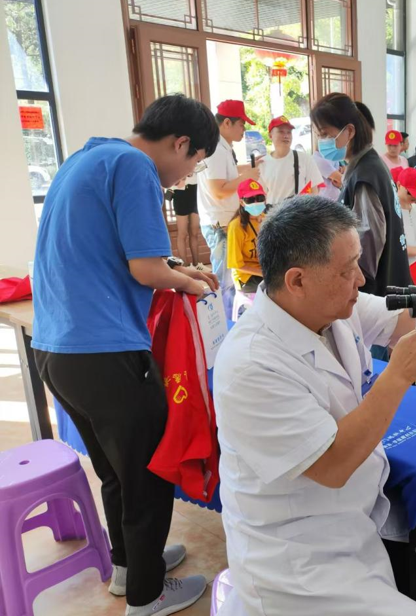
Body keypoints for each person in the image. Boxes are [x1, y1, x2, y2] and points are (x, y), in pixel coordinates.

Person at [213, 195, 416, 616]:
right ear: (297, 280)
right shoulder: (251, 364)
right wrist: (398, 375)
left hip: (351, 527)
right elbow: (333, 465)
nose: (361, 276)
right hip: (295, 562)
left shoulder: (332, 308)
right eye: (347, 268)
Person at [32, 94, 221, 616]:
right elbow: (145, 269)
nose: (184, 177)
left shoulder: (87, 157)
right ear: (180, 143)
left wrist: (175, 268)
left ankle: (129, 567)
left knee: (116, 471)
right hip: (104, 350)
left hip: (56, 349)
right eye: (193, 162)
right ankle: (147, 595)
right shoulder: (136, 167)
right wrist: (191, 282)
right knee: (149, 472)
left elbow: (117, 254)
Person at [310, 93, 410, 296]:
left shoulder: (365, 175)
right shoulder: (368, 165)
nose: (321, 142)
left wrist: (351, 287)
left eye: (325, 134)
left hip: (378, 292)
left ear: (349, 131)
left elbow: (366, 248)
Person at [197, 99, 260, 316]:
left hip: (224, 221)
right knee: (223, 278)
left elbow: (227, 175)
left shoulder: (223, 147)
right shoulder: (215, 149)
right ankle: (222, 325)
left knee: (228, 276)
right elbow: (218, 189)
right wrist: (247, 176)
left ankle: (226, 321)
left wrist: (248, 168)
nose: (244, 129)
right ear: (226, 123)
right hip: (219, 224)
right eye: (241, 124)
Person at [259, 115, 324, 208]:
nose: (286, 136)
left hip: (297, 213)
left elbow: (314, 189)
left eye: (289, 132)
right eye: (281, 132)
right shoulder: (262, 163)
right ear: (270, 135)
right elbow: (260, 194)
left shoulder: (305, 159)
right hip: (272, 214)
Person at [227, 179, 267, 294]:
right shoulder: (236, 226)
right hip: (246, 277)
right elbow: (237, 265)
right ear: (242, 202)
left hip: (265, 270)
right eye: (250, 199)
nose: (255, 203)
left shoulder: (267, 219)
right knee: (277, 288)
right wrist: (265, 273)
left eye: (259, 198)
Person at [394, 167, 416, 264]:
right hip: (401, 267)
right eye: (410, 193)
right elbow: (397, 248)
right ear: (399, 185)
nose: (414, 196)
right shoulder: (391, 212)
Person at [171, 173, 204, 269]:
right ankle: (185, 266)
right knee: (183, 233)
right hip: (179, 191)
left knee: (194, 231)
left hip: (195, 188)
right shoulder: (172, 158)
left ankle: (197, 264)